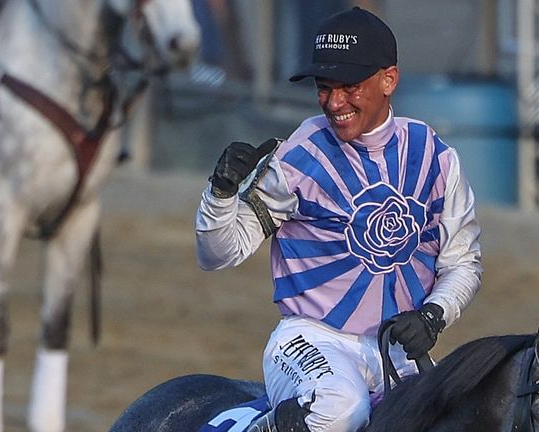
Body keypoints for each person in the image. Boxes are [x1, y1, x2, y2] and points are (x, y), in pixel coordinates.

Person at [195, 7, 482, 432]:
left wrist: (432, 316)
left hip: (397, 351)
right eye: (324, 88)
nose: (334, 103)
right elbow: (218, 254)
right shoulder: (299, 154)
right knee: (341, 411)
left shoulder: (435, 156)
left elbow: (462, 263)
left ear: (389, 80)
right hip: (310, 339)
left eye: (348, 87)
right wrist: (221, 193)